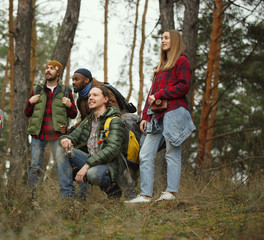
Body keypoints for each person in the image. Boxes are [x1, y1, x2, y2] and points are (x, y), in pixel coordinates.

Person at [125, 30, 196, 204]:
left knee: (172, 152)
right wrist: (144, 116)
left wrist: (161, 94)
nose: (162, 41)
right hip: (156, 117)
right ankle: (145, 195)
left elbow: (184, 86)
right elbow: (151, 93)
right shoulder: (160, 66)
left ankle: (170, 192)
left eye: (166, 38)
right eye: (161, 38)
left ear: (175, 40)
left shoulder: (181, 61)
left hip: (174, 112)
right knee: (145, 153)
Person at [58, 86, 132, 199]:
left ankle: (113, 191)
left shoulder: (114, 120)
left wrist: (87, 166)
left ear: (106, 99)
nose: (90, 98)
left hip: (110, 165)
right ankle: (67, 198)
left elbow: (112, 149)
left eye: (95, 95)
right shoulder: (88, 121)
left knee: (92, 173)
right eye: (89, 96)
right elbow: (71, 137)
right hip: (91, 161)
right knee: (62, 151)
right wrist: (65, 139)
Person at [25, 60, 78, 197]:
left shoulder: (66, 91)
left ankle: (67, 197)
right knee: (35, 166)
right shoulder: (37, 89)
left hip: (57, 135)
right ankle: (32, 197)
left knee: (62, 165)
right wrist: (30, 102)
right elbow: (27, 113)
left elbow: (73, 114)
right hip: (38, 134)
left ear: (58, 73)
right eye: (46, 68)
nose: (48, 71)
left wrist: (69, 105)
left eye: (52, 69)